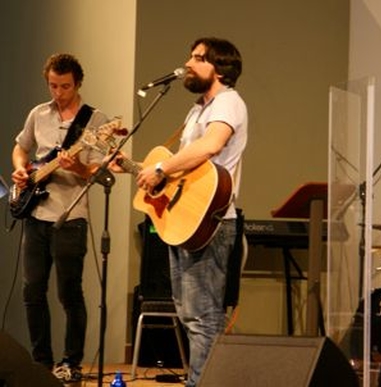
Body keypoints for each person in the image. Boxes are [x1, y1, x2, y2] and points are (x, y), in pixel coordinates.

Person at [115, 37, 247, 387]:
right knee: (189, 314)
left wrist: (159, 170)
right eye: (189, 55)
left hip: (212, 223)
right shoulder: (196, 110)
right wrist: (135, 167)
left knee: (204, 316)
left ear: (219, 68)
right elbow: (182, 169)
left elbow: (210, 146)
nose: (188, 63)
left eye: (198, 58)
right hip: (185, 221)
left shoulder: (228, 102)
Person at [10, 53, 110, 383]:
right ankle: (41, 362)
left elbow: (98, 170)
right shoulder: (38, 113)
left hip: (71, 216)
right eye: (53, 85)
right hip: (36, 213)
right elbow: (21, 148)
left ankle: (71, 362)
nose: (58, 92)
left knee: (70, 293)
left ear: (77, 83)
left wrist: (77, 166)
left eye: (65, 86)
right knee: (32, 291)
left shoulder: (95, 121)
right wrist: (21, 168)